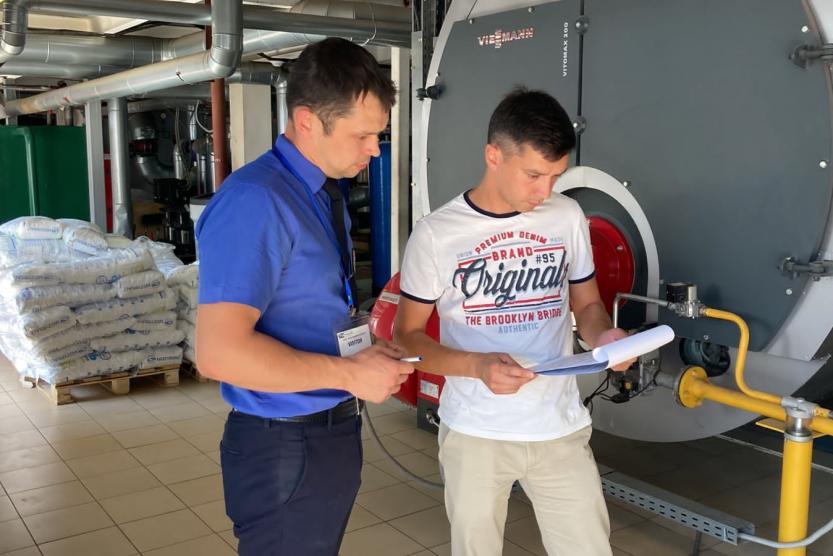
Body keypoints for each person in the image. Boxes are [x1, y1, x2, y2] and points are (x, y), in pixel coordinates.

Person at [195, 37, 415, 556]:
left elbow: (307, 309)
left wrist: (362, 354)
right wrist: (349, 374)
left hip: (325, 430)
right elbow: (218, 353)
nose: (375, 150)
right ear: (308, 121)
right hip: (283, 442)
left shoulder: (319, 192)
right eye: (363, 135)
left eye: (379, 135)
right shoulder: (257, 201)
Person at [395, 88, 632, 556]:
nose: (545, 192)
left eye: (556, 176)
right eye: (534, 175)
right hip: (476, 432)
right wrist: (477, 366)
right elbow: (406, 339)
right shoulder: (437, 234)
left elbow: (587, 305)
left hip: (558, 426)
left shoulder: (566, 215)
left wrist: (604, 337)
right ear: (494, 156)